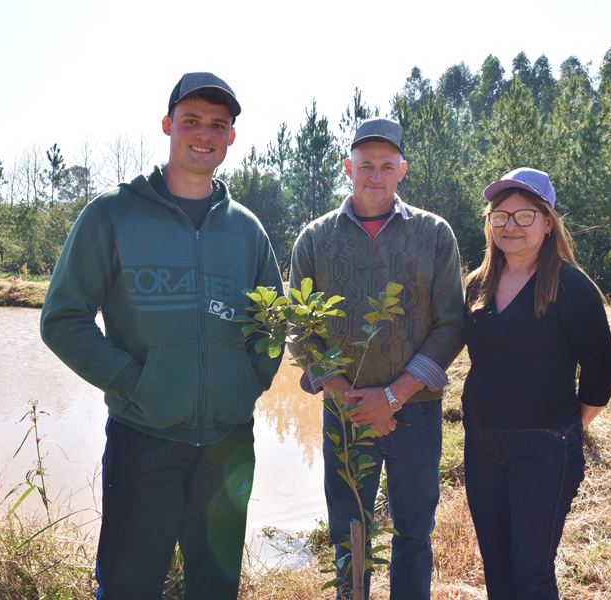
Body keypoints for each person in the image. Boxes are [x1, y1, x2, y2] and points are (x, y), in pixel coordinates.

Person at [40, 72, 283, 599]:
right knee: (129, 585)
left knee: (215, 587)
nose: (204, 133)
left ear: (231, 138)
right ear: (168, 124)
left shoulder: (247, 229)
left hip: (228, 442)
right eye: (191, 120)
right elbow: (62, 318)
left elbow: (272, 326)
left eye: (218, 125)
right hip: (143, 436)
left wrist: (245, 385)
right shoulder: (112, 215)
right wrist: (136, 383)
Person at [289, 117, 465, 599]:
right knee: (350, 533)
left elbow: (451, 323)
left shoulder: (434, 234)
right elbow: (298, 326)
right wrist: (346, 396)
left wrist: (393, 396)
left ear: (402, 170)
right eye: (366, 165)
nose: (375, 175)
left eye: (387, 166)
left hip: (416, 412)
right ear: (348, 167)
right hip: (344, 416)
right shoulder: (315, 239)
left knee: (414, 531)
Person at [462, 167, 611, 599]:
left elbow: (602, 366)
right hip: (482, 444)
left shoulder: (569, 285)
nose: (510, 226)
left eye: (524, 215)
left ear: (548, 222)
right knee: (495, 566)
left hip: (545, 447)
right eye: (500, 216)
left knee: (530, 573)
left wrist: (569, 426)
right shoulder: (477, 285)